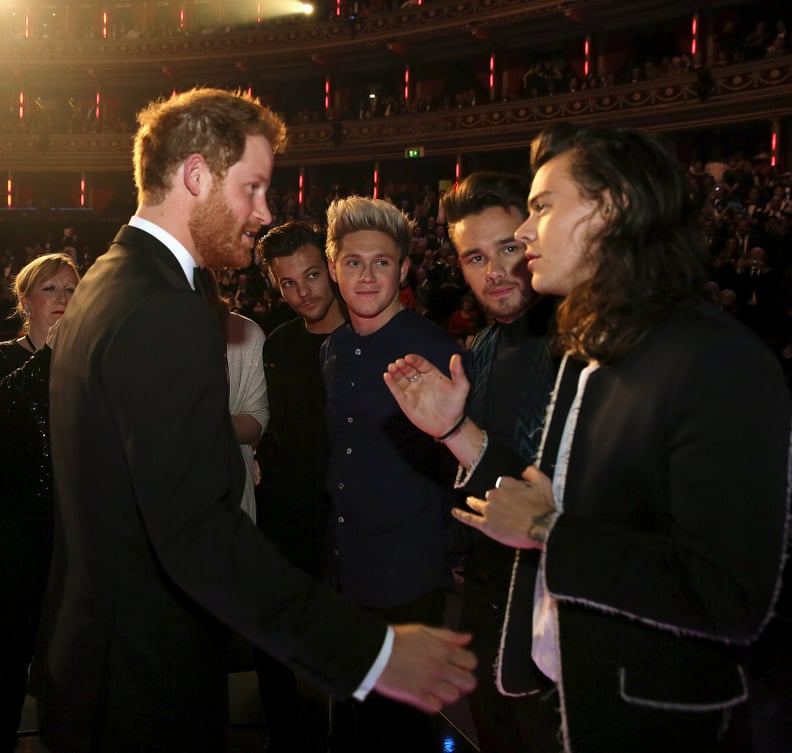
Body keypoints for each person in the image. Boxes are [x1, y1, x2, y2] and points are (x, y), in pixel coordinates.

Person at [40, 87, 476, 753]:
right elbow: (194, 529)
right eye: (252, 188)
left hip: (103, 661)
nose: (263, 212)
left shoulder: (110, 280)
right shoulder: (162, 307)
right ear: (195, 175)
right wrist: (372, 651)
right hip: (141, 681)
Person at [385, 123, 790, 752]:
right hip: (567, 691)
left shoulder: (715, 359)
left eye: (542, 208)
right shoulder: (591, 354)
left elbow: (731, 594)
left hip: (663, 723)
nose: (522, 236)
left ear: (613, 209)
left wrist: (549, 530)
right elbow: (540, 500)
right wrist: (456, 432)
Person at [322, 196, 462, 753]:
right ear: (334, 266)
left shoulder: (433, 350)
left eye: (381, 262)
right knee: (352, 720)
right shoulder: (332, 347)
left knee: (401, 731)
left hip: (409, 571)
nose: (366, 275)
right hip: (345, 565)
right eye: (353, 261)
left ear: (405, 269)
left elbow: (461, 461)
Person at [428, 171, 557, 753]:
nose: (495, 271)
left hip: (558, 597)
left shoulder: (585, 342)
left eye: (508, 247)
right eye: (475, 256)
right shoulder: (476, 353)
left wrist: (458, 432)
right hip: (485, 593)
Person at [254, 220, 346, 753]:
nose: (302, 291)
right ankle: (284, 736)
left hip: (352, 519)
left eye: (311, 275)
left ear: (331, 267)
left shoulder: (368, 336)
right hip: (286, 516)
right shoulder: (279, 344)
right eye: (287, 283)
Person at [0, 253, 79, 753]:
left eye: (72, 291)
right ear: (26, 300)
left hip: (77, 533)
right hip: (16, 532)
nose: (64, 300)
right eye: (51, 289)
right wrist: (49, 354)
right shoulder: (6, 358)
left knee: (69, 659)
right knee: (11, 651)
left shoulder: (93, 363)